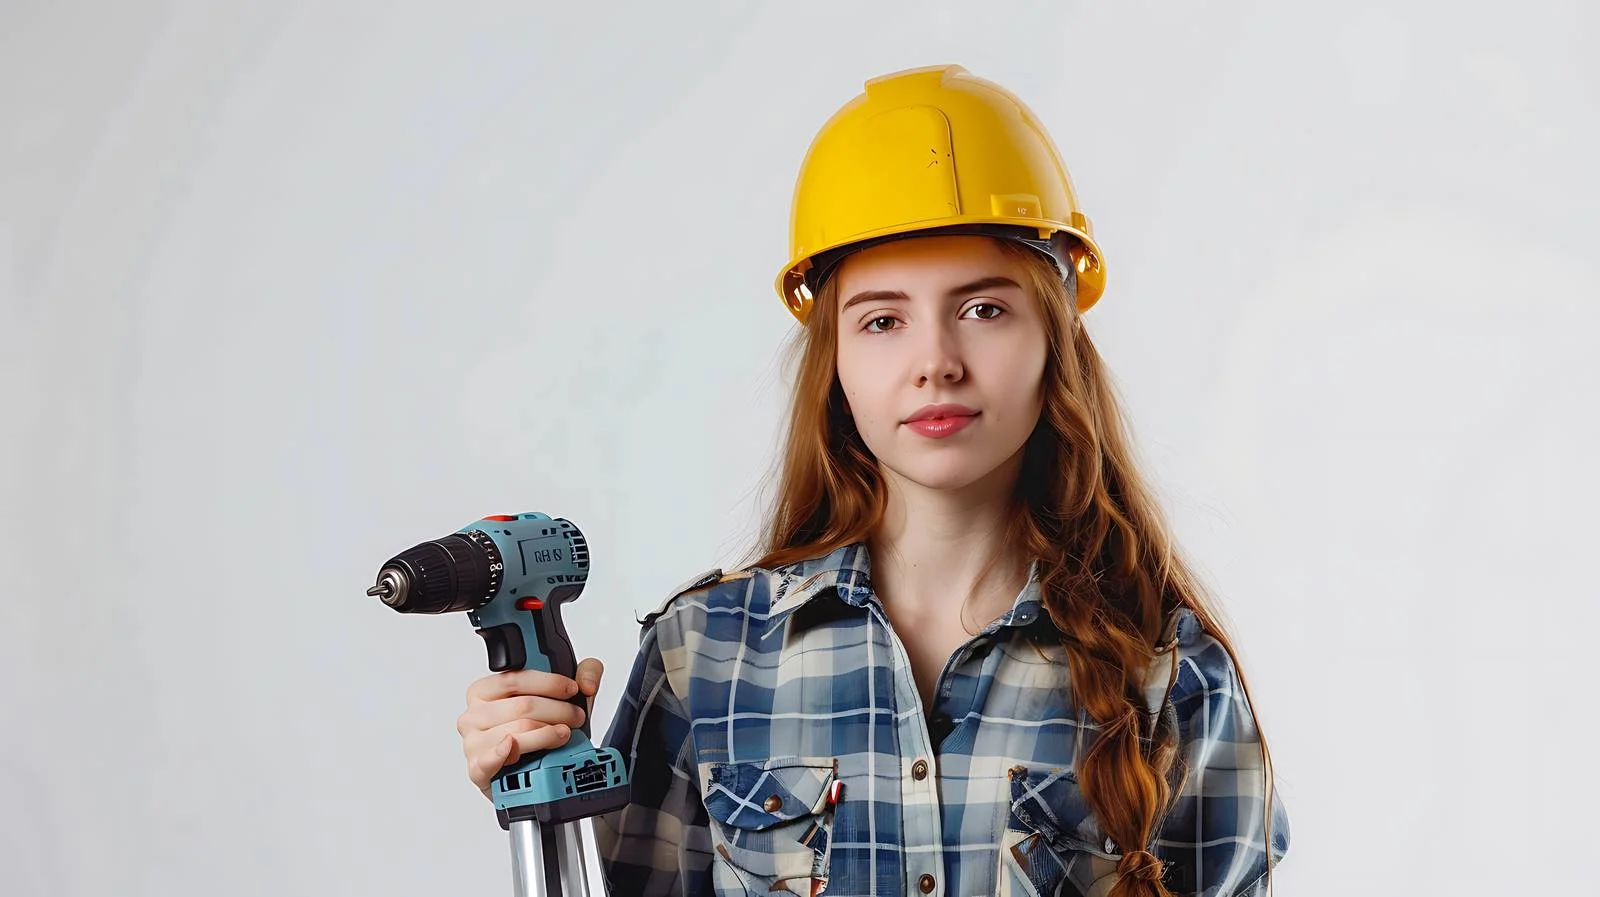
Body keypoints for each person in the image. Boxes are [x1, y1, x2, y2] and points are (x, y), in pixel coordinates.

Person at [455, 64, 1290, 897]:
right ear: (836, 362)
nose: (935, 363)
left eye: (984, 309)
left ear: (1055, 340)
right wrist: (544, 787)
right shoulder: (703, 656)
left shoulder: (1169, 673)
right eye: (883, 320)